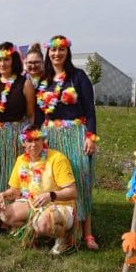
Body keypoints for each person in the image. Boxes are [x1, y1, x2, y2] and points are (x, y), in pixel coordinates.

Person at [35, 35, 100, 250]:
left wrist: (90, 136)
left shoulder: (78, 77)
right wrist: (34, 138)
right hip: (50, 136)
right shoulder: (43, 81)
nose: (56, 54)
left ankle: (87, 233)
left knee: (80, 181)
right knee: (55, 182)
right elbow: (38, 115)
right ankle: (62, 228)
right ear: (48, 53)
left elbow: (90, 110)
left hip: (75, 134)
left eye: (61, 50)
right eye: (53, 50)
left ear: (67, 52)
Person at [0, 41, 35, 236]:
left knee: (11, 178)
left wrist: (26, 139)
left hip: (13, 137)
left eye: (6, 59)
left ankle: (8, 219)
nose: (2, 63)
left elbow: (31, 115)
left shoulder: (24, 83)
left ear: (14, 60)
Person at [0, 124, 77, 255]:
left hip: (59, 205)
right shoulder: (21, 160)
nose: (33, 144)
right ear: (23, 143)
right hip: (32, 203)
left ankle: (64, 238)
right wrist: (2, 196)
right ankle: (35, 231)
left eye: (37, 139)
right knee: (5, 214)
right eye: (29, 141)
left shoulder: (57, 158)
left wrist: (50, 196)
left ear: (43, 140)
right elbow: (15, 191)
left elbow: (72, 192)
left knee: (43, 223)